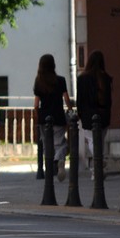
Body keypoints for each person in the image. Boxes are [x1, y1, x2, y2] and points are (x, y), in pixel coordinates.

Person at [32, 53, 72, 181]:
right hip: (58, 116)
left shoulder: (39, 81)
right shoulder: (60, 80)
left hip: (44, 119)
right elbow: (66, 98)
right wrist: (70, 110)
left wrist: (38, 117)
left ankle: (50, 166)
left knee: (46, 143)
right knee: (60, 143)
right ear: (53, 65)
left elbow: (36, 104)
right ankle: (59, 161)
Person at [75, 50, 113, 176]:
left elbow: (79, 100)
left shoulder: (82, 79)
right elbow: (109, 100)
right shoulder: (106, 77)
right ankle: (98, 167)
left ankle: (98, 168)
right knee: (99, 142)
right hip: (103, 115)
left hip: (88, 115)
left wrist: (80, 115)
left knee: (92, 141)